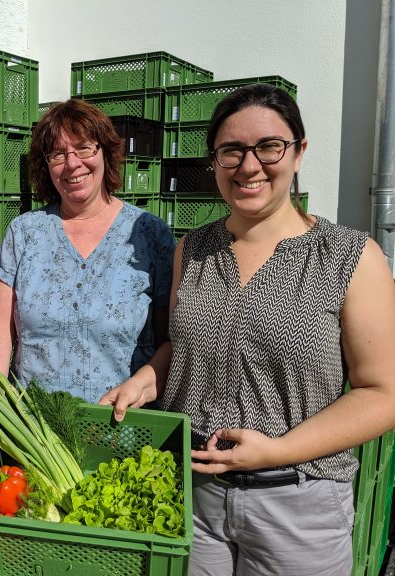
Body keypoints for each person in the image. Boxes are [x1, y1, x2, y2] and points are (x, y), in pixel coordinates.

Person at [100, 84, 395, 575]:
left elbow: (382, 392)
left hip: (297, 503)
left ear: (299, 152)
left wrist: (277, 450)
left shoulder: (350, 257)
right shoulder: (191, 249)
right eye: (231, 150)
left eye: (269, 147)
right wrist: (146, 379)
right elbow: (182, 344)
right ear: (214, 162)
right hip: (193, 500)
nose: (249, 165)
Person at [0, 98, 175, 403]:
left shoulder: (149, 233)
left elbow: (169, 340)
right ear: (46, 165)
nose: (72, 163)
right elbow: (0, 330)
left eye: (84, 148)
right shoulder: (24, 232)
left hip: (121, 428)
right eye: (57, 154)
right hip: (35, 429)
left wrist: (142, 386)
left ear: (106, 153)